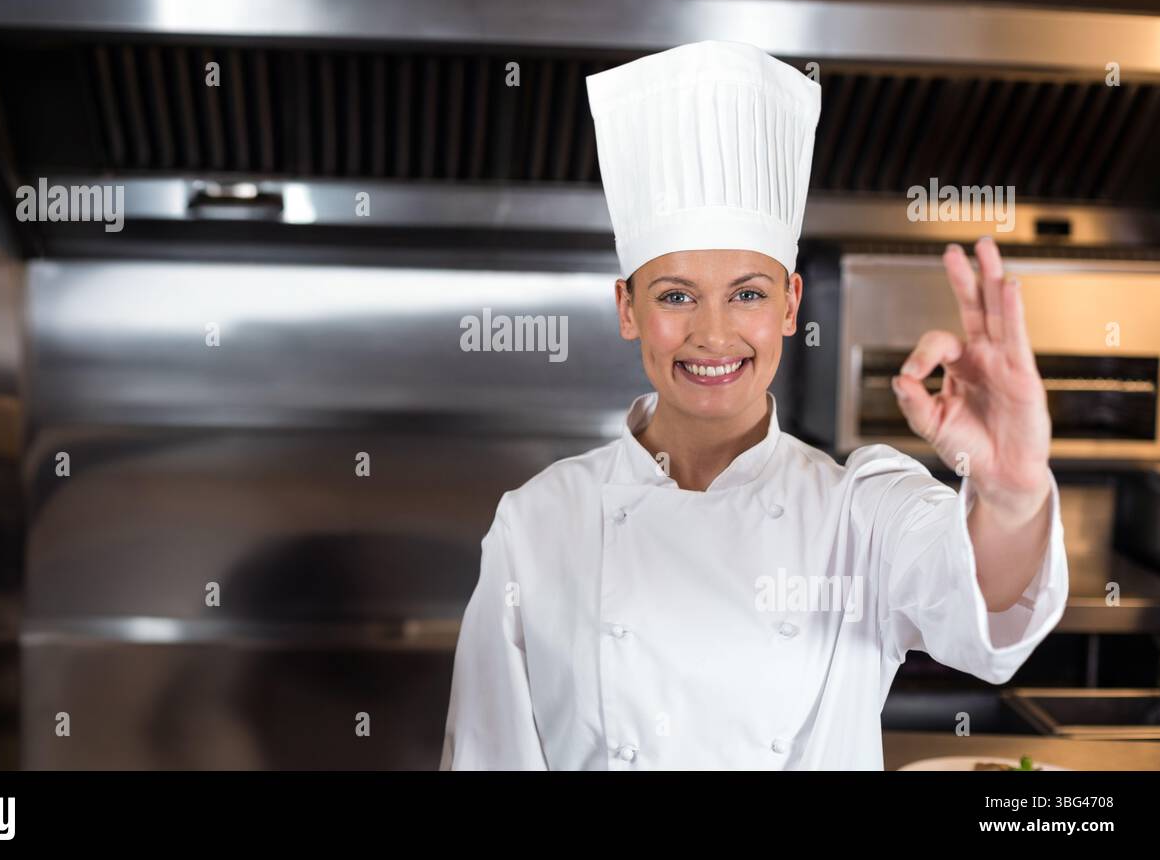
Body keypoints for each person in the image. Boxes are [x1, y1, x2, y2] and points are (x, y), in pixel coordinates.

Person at [439, 40, 1067, 770]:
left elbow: (984, 617)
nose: (712, 333)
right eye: (676, 296)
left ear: (791, 303)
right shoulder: (537, 522)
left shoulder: (857, 512)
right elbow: (488, 756)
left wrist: (1012, 496)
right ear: (627, 308)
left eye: (748, 294)